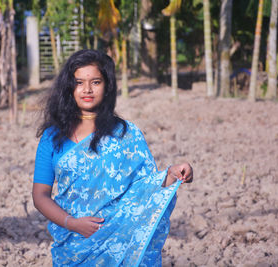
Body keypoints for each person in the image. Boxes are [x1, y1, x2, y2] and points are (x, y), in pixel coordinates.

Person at [32, 49, 193, 266]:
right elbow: (40, 195)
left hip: (120, 240)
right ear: (69, 87)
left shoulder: (125, 134)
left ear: (107, 86)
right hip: (74, 247)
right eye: (79, 82)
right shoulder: (52, 138)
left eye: (96, 82)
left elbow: (143, 189)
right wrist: (73, 224)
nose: (87, 89)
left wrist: (172, 174)